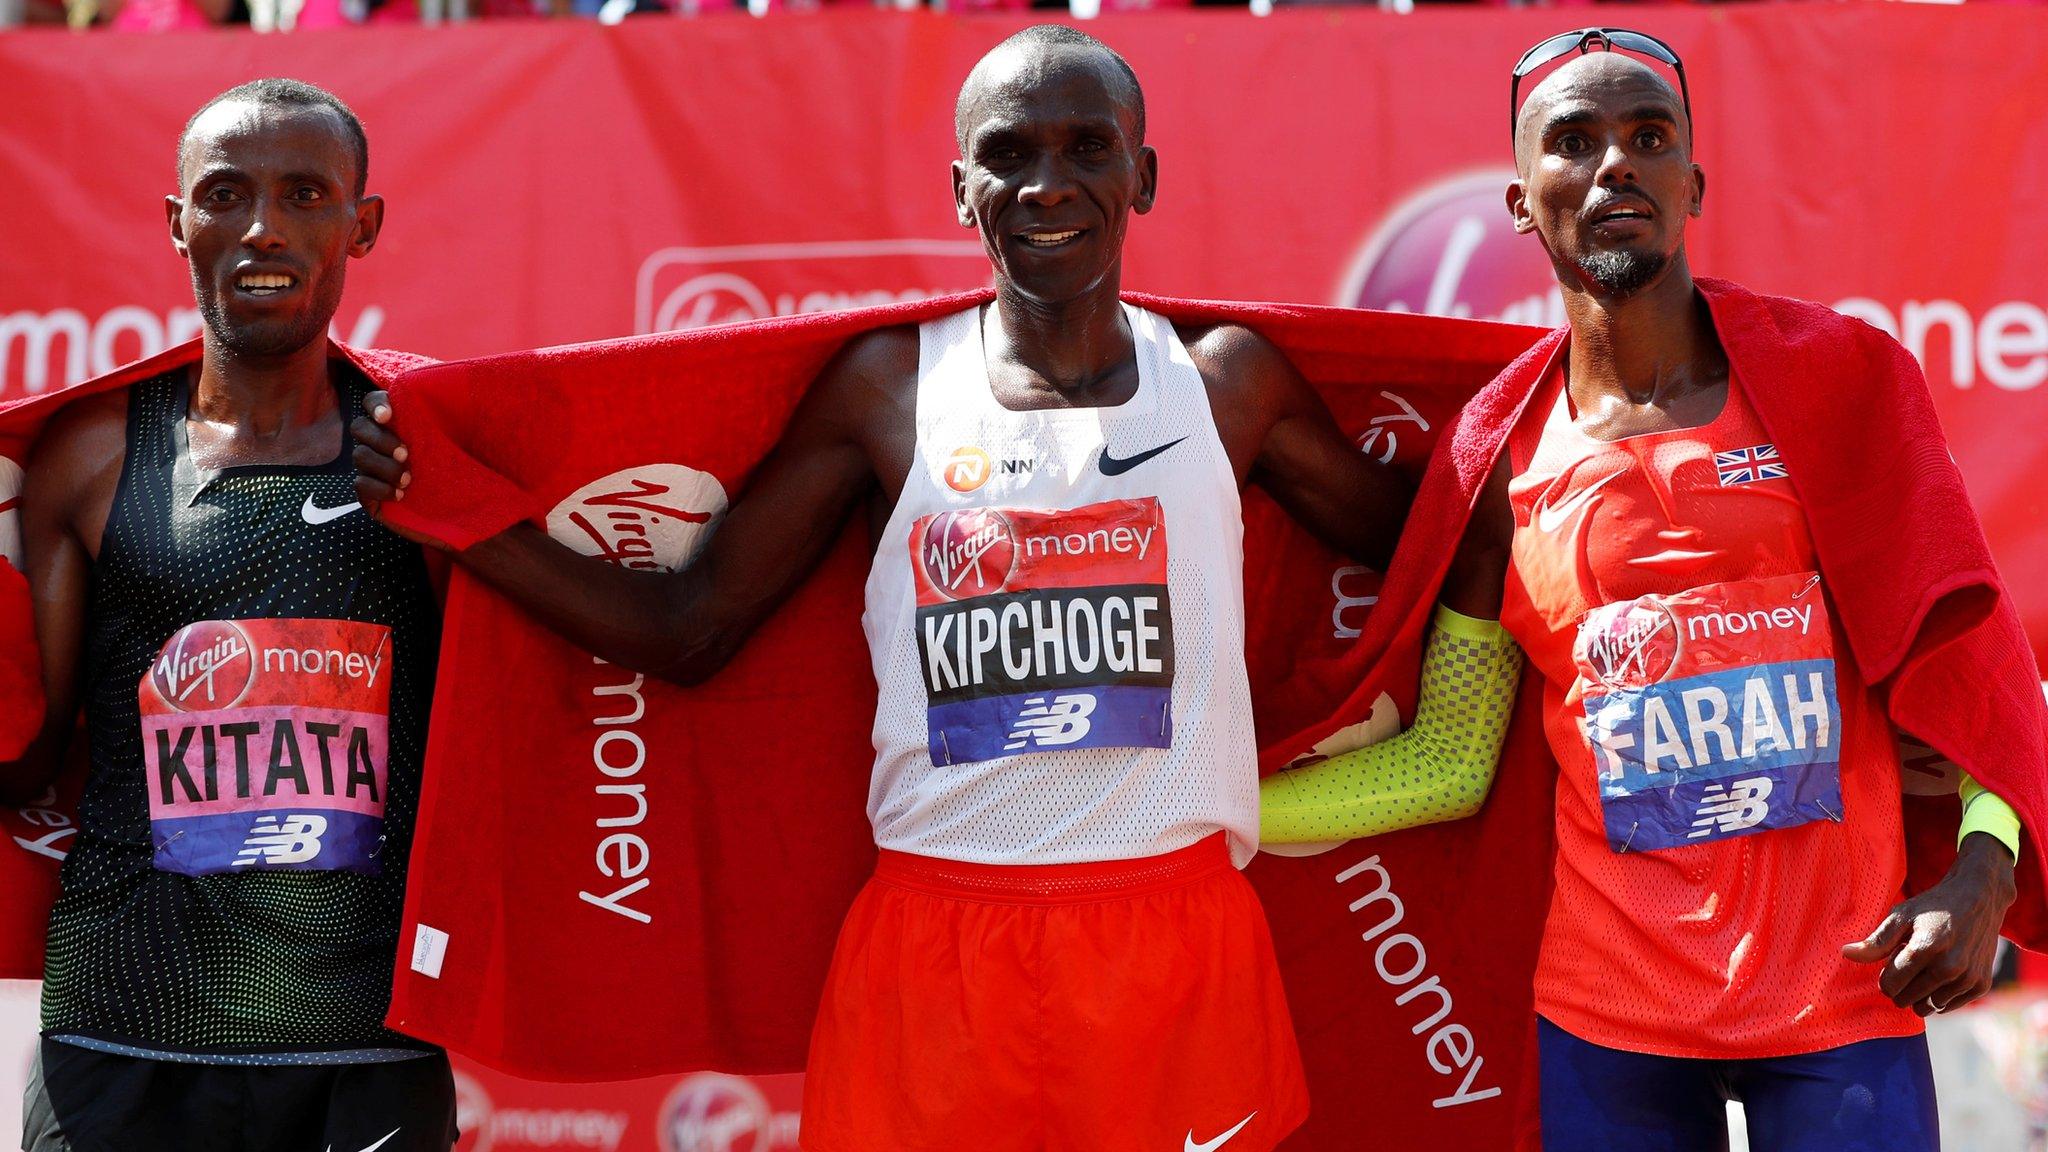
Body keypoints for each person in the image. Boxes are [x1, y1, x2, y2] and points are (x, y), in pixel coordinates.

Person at [352, 24, 1519, 1152]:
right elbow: (690, 626)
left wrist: (1536, 464)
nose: (1046, 184)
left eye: (1085, 148)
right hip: (937, 946)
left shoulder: (1224, 386)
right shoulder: (889, 392)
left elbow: (1423, 547)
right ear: (959, 189)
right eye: (1007, 155)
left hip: (1175, 944)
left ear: (1143, 175)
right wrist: (463, 519)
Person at [1261, 29, 2038, 1152]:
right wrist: (1209, 813)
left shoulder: (1837, 387)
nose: (1613, 164)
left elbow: (1966, 663)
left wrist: (1983, 863)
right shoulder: (1496, 468)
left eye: (1646, 136)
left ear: (1691, 184)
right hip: (1607, 1024)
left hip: (1840, 999)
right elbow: (1446, 760)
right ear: (1523, 202)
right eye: (1572, 142)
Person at [5, 79, 455, 1152]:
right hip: (122, 1039)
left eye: (306, 193)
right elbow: (26, 758)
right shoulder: (92, 456)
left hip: (362, 1041)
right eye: (224, 194)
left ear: (363, 224)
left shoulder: (429, 456)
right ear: (177, 223)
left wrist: (469, 522)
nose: (264, 227)